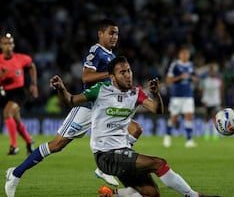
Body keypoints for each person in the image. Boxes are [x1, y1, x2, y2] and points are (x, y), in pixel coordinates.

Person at [5, 19, 143, 197]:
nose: (114, 36)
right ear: (100, 34)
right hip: (86, 107)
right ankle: (15, 174)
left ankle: (105, 169)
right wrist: (110, 74)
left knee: (136, 129)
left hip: (104, 108)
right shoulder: (96, 51)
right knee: (56, 145)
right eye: (111, 33)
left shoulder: (112, 57)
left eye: (116, 33)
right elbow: (86, 77)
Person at [51, 56, 219, 197]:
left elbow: (156, 109)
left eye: (129, 71)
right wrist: (61, 88)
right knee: (159, 163)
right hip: (105, 154)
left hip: (123, 152)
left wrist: (156, 95)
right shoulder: (100, 90)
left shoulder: (135, 92)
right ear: (112, 77)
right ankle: (194, 196)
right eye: (122, 72)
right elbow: (71, 101)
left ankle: (112, 194)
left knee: (152, 193)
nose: (128, 75)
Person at [0, 33, 37, 155]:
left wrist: (33, 84)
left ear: (14, 44)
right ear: (1, 45)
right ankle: (29, 140)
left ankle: (14, 145)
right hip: (4, 93)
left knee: (7, 113)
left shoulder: (21, 58)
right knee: (16, 120)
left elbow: (31, 66)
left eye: (10, 43)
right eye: (5, 43)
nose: (8, 46)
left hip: (19, 92)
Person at [163, 45, 198, 148]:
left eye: (187, 54)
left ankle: (189, 140)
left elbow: (195, 78)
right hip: (176, 96)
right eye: (183, 54)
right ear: (179, 55)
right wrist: (180, 77)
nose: (185, 56)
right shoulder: (175, 65)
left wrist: (192, 78)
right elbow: (168, 80)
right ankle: (167, 136)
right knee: (174, 117)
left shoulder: (191, 65)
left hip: (188, 95)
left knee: (189, 116)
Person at [199, 63, 224, 140]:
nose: (212, 72)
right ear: (209, 72)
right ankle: (206, 134)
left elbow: (222, 91)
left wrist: (222, 102)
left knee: (215, 117)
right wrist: (203, 99)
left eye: (213, 71)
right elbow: (201, 91)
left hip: (216, 102)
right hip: (207, 102)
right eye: (211, 71)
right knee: (206, 118)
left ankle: (215, 134)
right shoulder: (204, 81)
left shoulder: (219, 81)